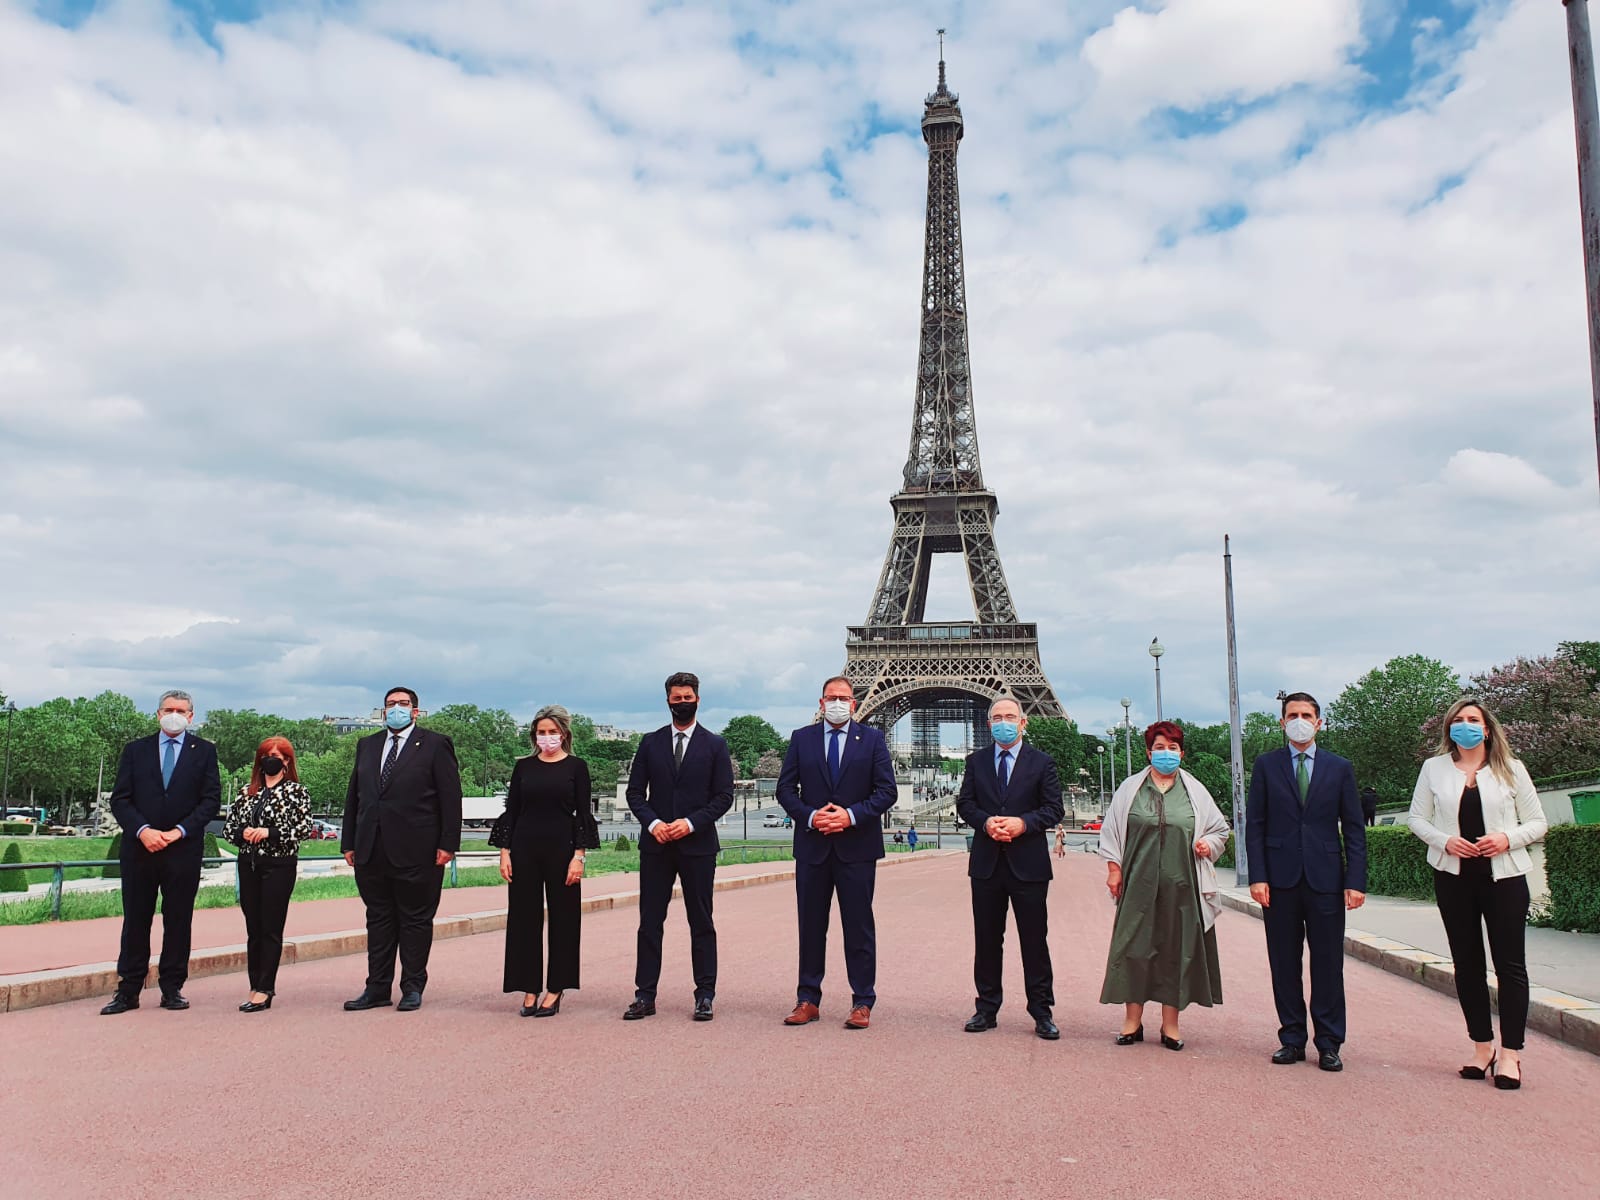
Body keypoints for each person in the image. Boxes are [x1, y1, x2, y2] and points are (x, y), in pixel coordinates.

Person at [1408, 698, 1547, 1090]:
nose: (1464, 726)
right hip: (1454, 878)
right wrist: (1444, 841)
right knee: (1466, 964)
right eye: (1458, 721)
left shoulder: (1511, 770)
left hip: (1504, 879)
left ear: (1486, 729)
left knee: (1509, 966)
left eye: (1473, 720)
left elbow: (1538, 823)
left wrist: (1506, 838)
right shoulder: (1433, 769)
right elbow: (1417, 818)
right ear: (1449, 729)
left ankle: (1511, 1054)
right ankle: (1482, 1047)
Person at [1244, 692, 1366, 1072]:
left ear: (1319, 722)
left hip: (1326, 879)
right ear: (1282, 723)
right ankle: (1292, 1038)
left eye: (1306, 714)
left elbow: (1355, 829)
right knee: (1284, 962)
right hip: (1278, 881)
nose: (1300, 720)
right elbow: (1256, 825)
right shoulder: (1266, 766)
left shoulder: (1339, 768)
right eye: (1292, 714)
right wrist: (1257, 876)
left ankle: (1329, 1043)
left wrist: (1356, 880)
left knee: (1328, 964)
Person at [775, 676, 897, 1030]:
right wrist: (812, 817)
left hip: (856, 847)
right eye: (832, 697)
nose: (838, 702)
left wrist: (850, 816)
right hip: (813, 845)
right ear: (821, 701)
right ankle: (808, 998)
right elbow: (785, 788)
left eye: (844, 697)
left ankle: (862, 1001)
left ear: (855, 703)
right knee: (811, 926)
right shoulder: (802, 738)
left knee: (858, 926)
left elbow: (886, 790)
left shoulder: (872, 739)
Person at [1098, 721, 1228, 1051]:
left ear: (1182, 753)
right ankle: (1132, 1021)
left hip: (1182, 888)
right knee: (1133, 949)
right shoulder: (1130, 789)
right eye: (1159, 748)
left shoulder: (1195, 792)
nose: (1166, 754)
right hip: (1137, 886)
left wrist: (1207, 846)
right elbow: (1112, 833)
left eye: (1172, 748)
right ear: (1148, 752)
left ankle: (1171, 1025)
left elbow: (1219, 831)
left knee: (1176, 950)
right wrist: (1114, 870)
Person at [340, 687, 462, 1013]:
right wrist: (348, 842)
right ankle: (377, 988)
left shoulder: (435, 745)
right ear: (383, 711)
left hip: (419, 850)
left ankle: (412, 986)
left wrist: (448, 844)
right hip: (371, 849)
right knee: (378, 921)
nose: (396, 708)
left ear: (416, 711)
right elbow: (356, 796)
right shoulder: (368, 745)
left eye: (403, 704)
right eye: (391, 704)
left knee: (415, 920)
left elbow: (451, 798)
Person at [101, 690, 222, 1014]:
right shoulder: (135, 751)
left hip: (182, 849)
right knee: (136, 920)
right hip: (141, 848)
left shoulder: (204, 752)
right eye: (169, 709)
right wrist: (144, 831)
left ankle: (172, 987)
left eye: (181, 710)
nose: (174, 714)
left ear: (191, 717)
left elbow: (210, 800)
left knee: (178, 920)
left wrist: (179, 831)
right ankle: (128, 989)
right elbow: (121, 799)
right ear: (157, 714)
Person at [624, 672, 734, 1021]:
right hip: (656, 844)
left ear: (698, 699)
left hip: (697, 843)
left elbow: (724, 797)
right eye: (676, 697)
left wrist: (689, 823)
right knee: (649, 923)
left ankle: (705, 995)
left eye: (687, 697)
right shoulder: (650, 742)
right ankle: (645, 995)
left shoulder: (715, 744)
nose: (682, 702)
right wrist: (655, 824)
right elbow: (634, 793)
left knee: (701, 921)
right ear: (667, 700)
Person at [955, 697, 1064, 1040]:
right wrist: (987, 823)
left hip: (1028, 864)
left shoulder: (1042, 763)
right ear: (989, 724)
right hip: (987, 863)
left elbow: (1053, 809)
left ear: (1023, 722)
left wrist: (1022, 823)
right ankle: (986, 1008)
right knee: (987, 940)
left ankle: (1041, 1011)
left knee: (1035, 941)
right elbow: (965, 804)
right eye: (997, 717)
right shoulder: (976, 762)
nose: (1004, 721)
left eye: (1010, 716)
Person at [492, 706, 600, 1016]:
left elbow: (583, 812)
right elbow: (512, 810)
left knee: (564, 919)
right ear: (534, 735)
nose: (547, 737)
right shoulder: (523, 767)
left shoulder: (577, 767)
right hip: (524, 848)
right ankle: (528, 988)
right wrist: (504, 851)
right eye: (542, 732)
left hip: (563, 850)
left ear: (564, 734)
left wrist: (579, 857)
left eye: (553, 732)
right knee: (523, 920)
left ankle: (556, 988)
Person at [222, 736, 314, 1012]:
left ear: (287, 761)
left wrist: (270, 833)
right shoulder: (246, 791)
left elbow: (304, 828)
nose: (272, 758)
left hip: (279, 865)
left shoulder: (297, 792)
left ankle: (265, 988)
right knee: (254, 928)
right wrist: (244, 833)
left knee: (271, 927)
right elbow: (228, 829)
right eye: (267, 754)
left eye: (278, 754)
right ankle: (254, 984)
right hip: (248, 864)